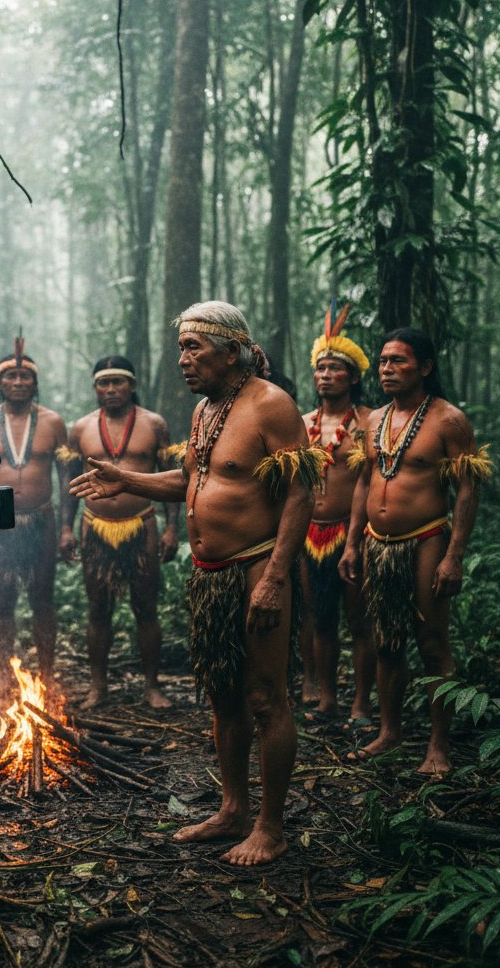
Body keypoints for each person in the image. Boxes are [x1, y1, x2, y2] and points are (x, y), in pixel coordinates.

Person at [71, 303, 320, 865]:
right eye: (181, 347)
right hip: (210, 576)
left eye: (193, 348)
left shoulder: (272, 405)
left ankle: (271, 826)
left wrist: (276, 578)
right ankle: (232, 809)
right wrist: (124, 479)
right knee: (224, 696)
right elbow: (192, 478)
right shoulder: (208, 408)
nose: (182, 360)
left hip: (257, 567)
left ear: (232, 351)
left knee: (265, 696)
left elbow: (302, 493)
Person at [338, 328, 489, 775]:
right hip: (377, 544)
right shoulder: (372, 419)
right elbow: (364, 481)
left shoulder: (449, 420)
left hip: (426, 538)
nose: (387, 369)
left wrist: (454, 554)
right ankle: (390, 732)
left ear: (425, 367)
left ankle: (438, 747)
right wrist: (351, 542)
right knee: (387, 640)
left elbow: (467, 489)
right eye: (383, 361)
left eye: (398, 361)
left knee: (432, 641)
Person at [59, 357, 179, 710]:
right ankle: (98, 687)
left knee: (146, 607)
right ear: (95, 388)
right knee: (98, 609)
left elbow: (171, 476)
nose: (110, 389)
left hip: (142, 524)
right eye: (103, 383)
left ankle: (152, 687)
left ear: (132, 385)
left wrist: (172, 526)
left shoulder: (154, 424)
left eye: (118, 382)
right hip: (94, 525)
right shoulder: (80, 429)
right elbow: (69, 482)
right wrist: (66, 527)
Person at [0, 341, 68, 695]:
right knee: (3, 600)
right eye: (11, 375)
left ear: (35, 383)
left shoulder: (53, 422)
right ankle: (3, 678)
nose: (18, 381)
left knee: (43, 598)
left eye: (25, 375)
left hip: (41, 519)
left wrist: (68, 527)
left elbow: (67, 479)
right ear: (0, 382)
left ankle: (48, 676)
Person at [299, 304, 375, 727]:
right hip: (310, 532)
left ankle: (361, 703)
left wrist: (356, 539)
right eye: (321, 368)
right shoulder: (302, 421)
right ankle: (326, 698)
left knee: (359, 619)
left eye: (335, 369)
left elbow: (371, 481)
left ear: (355, 377)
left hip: (352, 531)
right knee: (318, 617)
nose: (326, 375)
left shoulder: (367, 423)